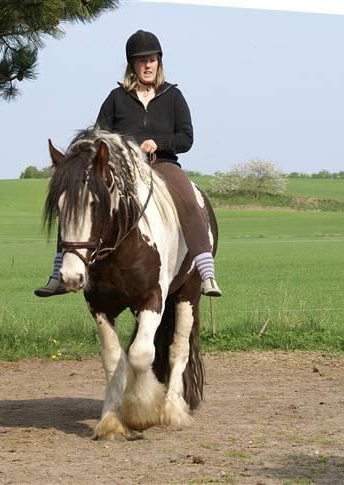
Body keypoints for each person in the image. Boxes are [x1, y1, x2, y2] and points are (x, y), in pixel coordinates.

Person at [35, 30, 221, 298]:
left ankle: (206, 273)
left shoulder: (173, 96)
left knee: (189, 198)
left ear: (159, 62)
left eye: (152, 59)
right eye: (141, 60)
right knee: (77, 200)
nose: (147, 65)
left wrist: (158, 143)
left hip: (162, 165)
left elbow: (186, 138)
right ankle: (57, 273)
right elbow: (97, 135)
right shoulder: (116, 98)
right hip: (123, 169)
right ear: (131, 65)